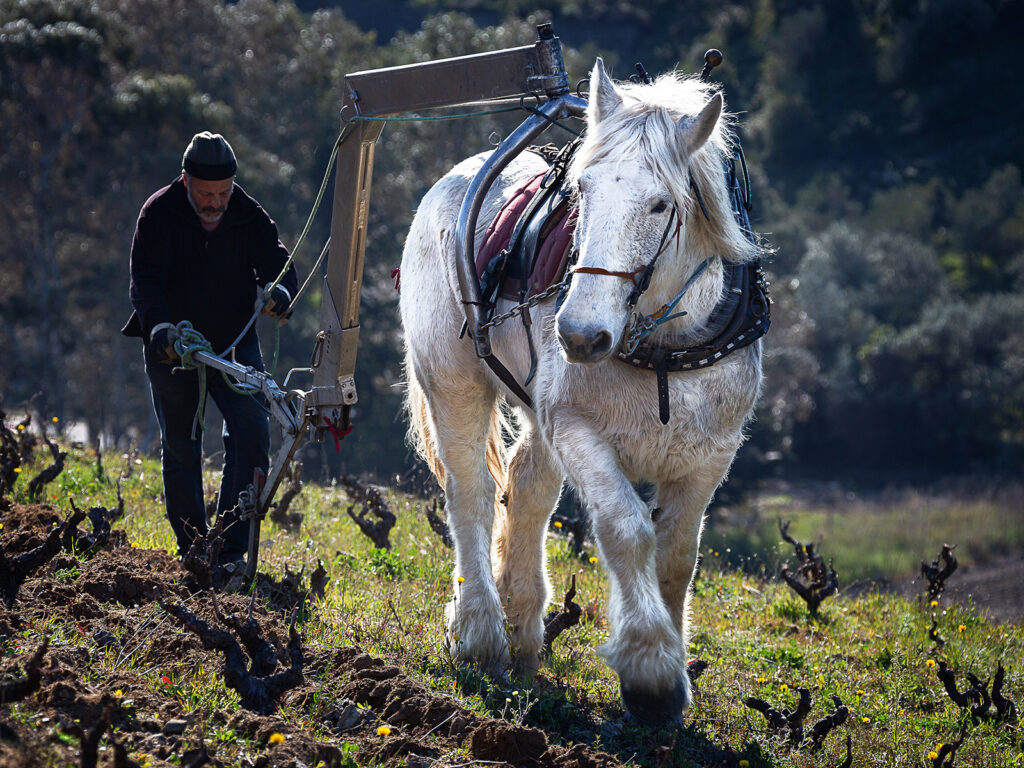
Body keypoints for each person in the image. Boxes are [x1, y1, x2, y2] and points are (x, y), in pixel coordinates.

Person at [121, 132, 297, 564]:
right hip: (173, 346)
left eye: (222, 193)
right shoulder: (157, 214)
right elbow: (144, 281)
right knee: (182, 445)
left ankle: (230, 547)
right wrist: (160, 328)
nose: (215, 202)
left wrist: (280, 292)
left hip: (235, 346)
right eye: (205, 194)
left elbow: (279, 263)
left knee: (253, 431)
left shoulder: (248, 214)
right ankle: (192, 548)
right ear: (185, 181)